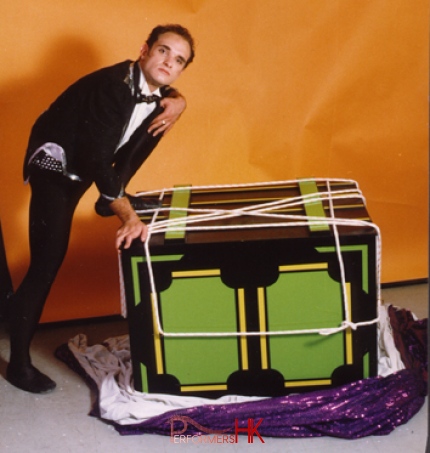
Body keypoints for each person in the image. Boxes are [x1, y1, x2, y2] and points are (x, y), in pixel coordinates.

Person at [5, 24, 195, 393]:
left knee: (165, 111)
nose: (168, 62)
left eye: (178, 60)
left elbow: (110, 151)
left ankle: (111, 195)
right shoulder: (112, 88)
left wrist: (180, 100)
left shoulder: (158, 92)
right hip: (56, 167)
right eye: (162, 51)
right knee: (46, 264)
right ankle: (18, 364)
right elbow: (95, 161)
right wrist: (126, 213)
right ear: (144, 50)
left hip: (90, 163)